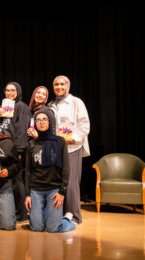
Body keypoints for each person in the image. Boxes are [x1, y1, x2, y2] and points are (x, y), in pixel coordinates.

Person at [24, 109, 76, 232]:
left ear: (50, 122)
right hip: (36, 189)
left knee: (52, 228)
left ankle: (67, 220)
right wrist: (27, 195)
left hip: (54, 189)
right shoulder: (31, 144)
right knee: (37, 227)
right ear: (34, 123)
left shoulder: (60, 141)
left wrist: (62, 191)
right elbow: (27, 171)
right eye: (38, 120)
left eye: (44, 119)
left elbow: (66, 168)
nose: (41, 122)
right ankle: (51, 218)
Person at [48, 75, 90, 224]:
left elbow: (84, 124)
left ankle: (74, 217)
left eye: (62, 84)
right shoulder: (51, 104)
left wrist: (74, 138)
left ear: (68, 86)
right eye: (56, 85)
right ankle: (60, 214)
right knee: (58, 181)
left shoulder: (76, 102)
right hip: (56, 148)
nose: (59, 87)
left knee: (71, 183)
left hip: (72, 147)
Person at [0, 81, 31, 221]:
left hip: (16, 148)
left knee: (17, 180)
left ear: (18, 92)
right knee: (10, 180)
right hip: (5, 147)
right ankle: (13, 211)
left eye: (13, 90)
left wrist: (17, 148)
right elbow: (4, 127)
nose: (10, 93)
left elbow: (21, 130)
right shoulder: (5, 108)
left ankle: (22, 213)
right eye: (7, 90)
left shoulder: (22, 107)